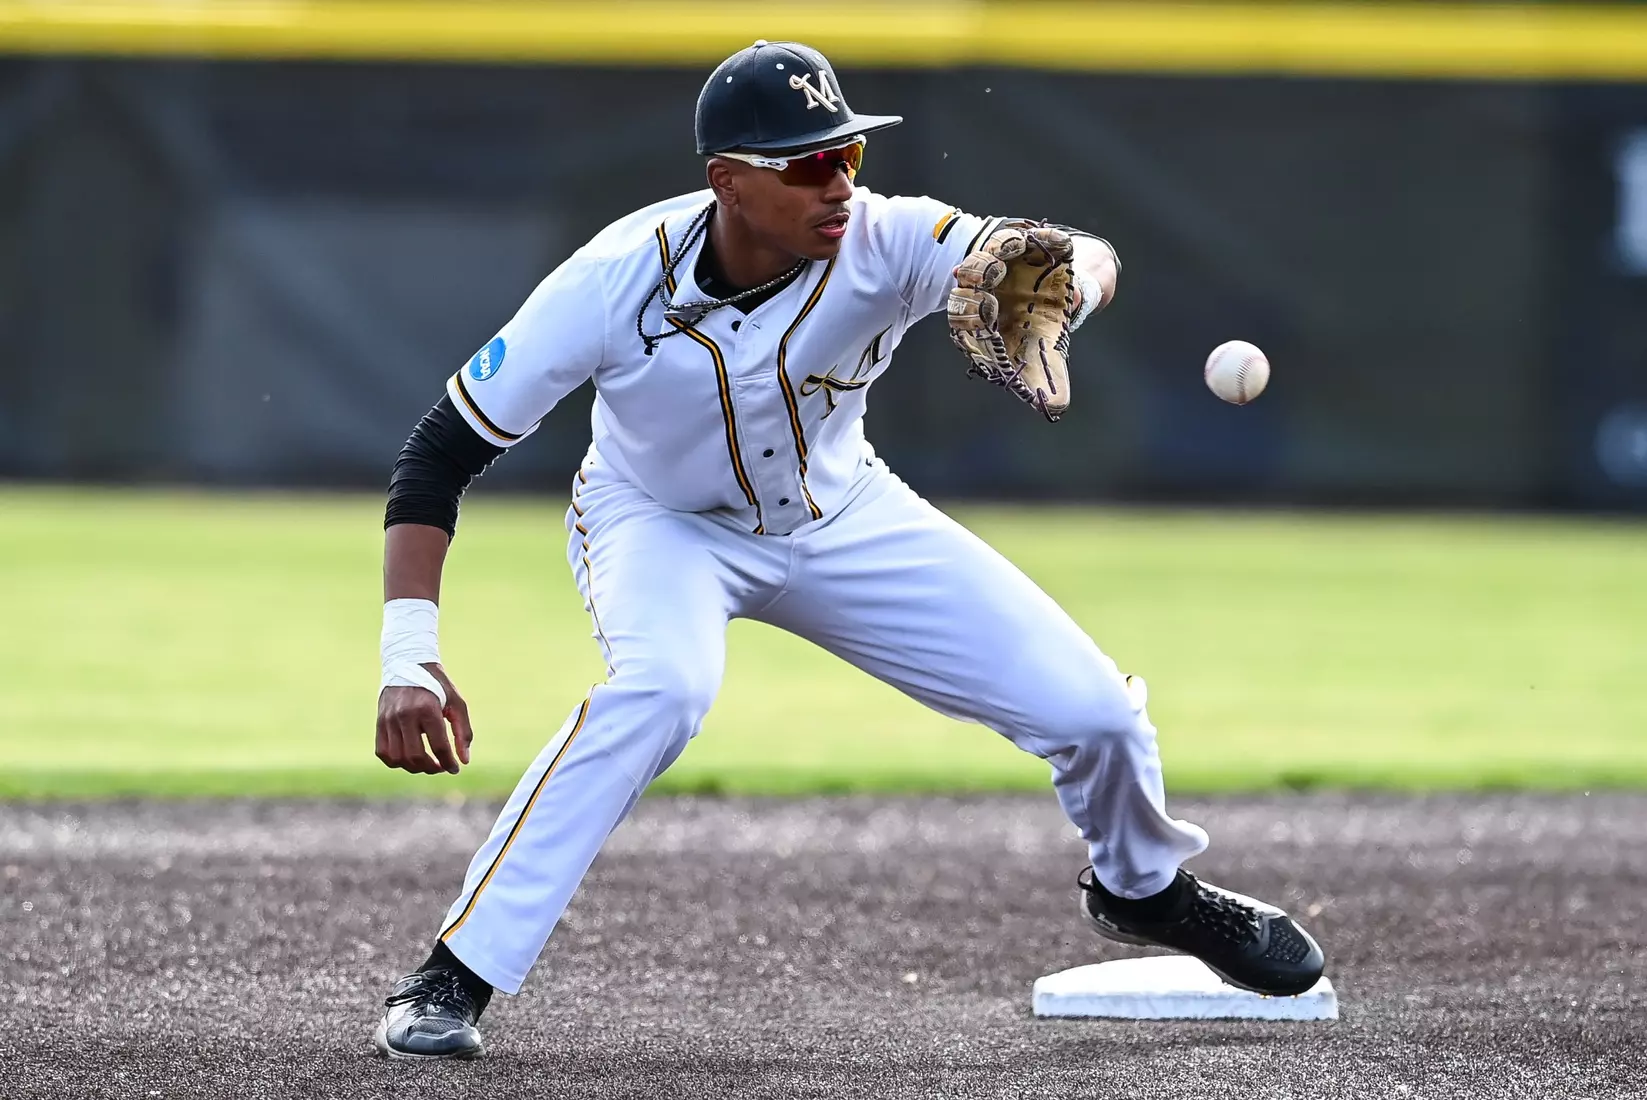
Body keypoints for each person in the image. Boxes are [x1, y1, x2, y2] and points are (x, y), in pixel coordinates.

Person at [370, 40, 1325, 1060]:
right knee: (661, 688)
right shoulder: (612, 282)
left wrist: (1065, 291)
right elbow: (441, 452)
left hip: (844, 513)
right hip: (659, 523)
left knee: (1095, 713)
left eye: (848, 154)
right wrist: (407, 652)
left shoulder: (892, 237)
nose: (837, 181)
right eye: (806, 163)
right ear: (727, 181)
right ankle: (453, 972)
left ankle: (1147, 891)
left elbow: (1079, 250)